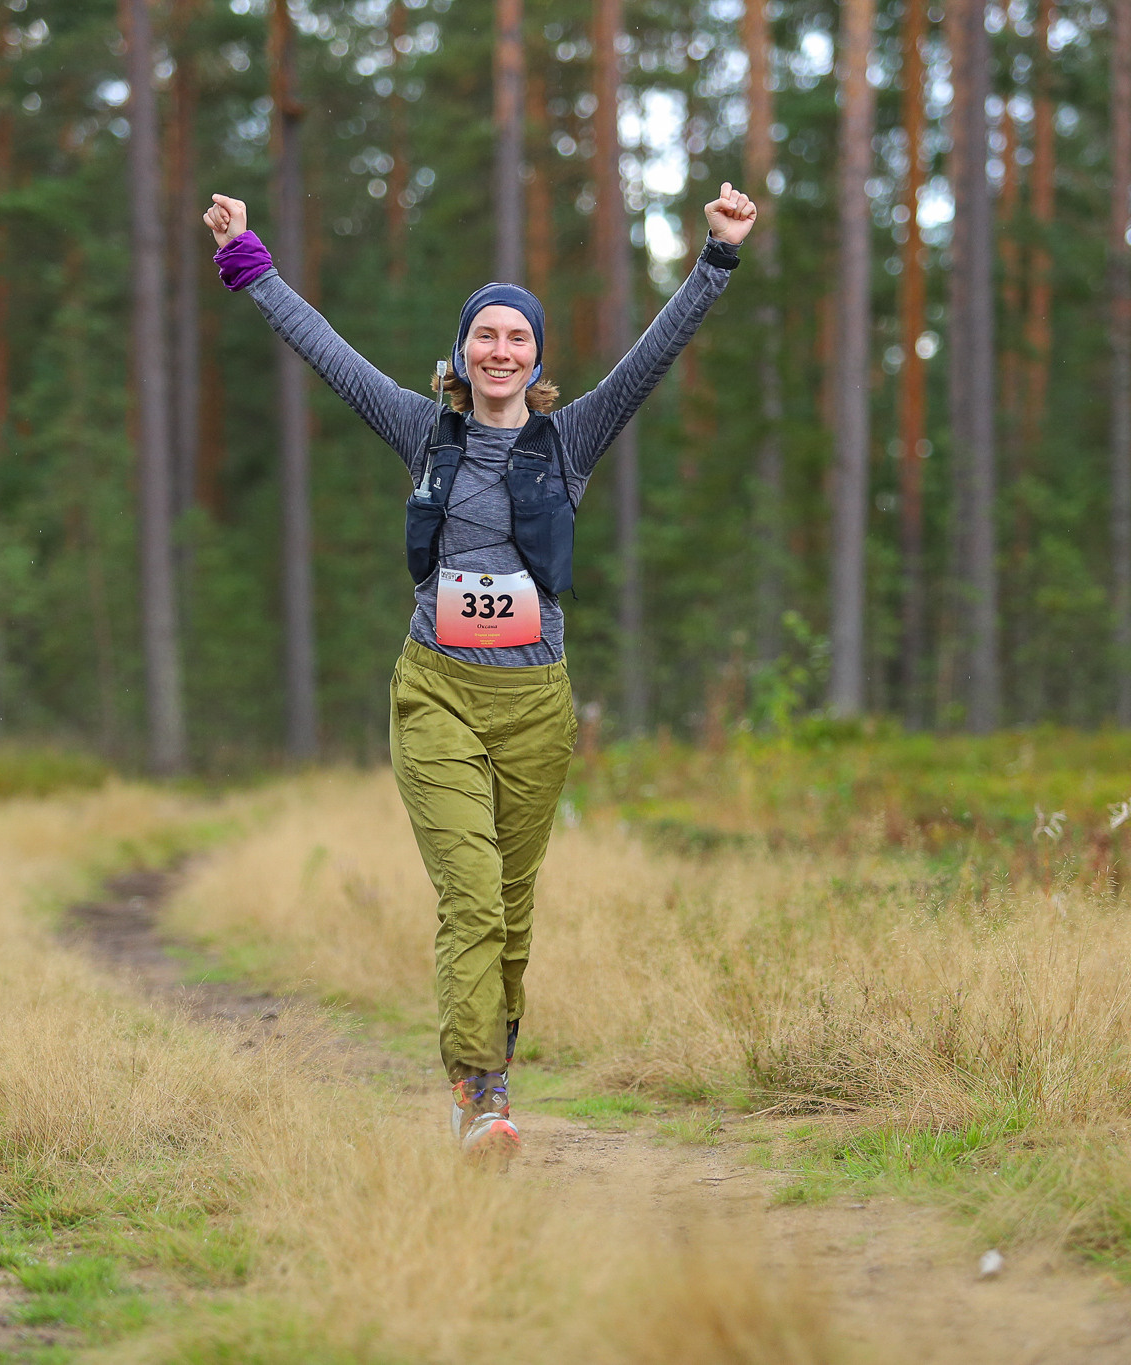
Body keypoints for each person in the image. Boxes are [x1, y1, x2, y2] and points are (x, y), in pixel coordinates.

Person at [204, 183, 759, 1160]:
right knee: (468, 892)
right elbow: (329, 358)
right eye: (484, 337)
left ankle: (489, 1067)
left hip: (536, 704)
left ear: (536, 358)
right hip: (436, 692)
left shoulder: (567, 439)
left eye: (517, 338)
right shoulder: (427, 433)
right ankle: (480, 1095)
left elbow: (651, 358)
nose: (500, 351)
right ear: (461, 354)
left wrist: (715, 259)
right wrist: (248, 260)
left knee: (509, 906)